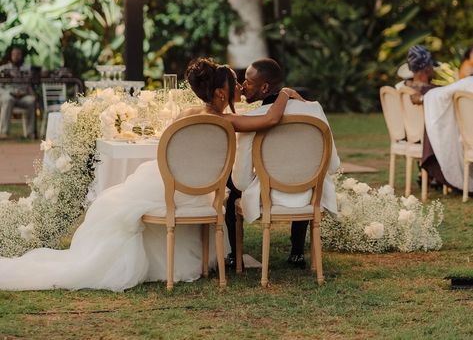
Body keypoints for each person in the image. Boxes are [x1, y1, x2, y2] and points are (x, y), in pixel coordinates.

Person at [0, 58, 302, 291]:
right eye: (235, 83)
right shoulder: (227, 122)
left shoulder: (187, 116)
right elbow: (273, 118)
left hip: (166, 183)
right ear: (222, 92)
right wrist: (286, 93)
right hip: (193, 194)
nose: (239, 87)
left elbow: (169, 150)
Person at [231, 58, 340, 270]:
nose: (243, 85)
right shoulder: (314, 110)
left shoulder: (253, 119)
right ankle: (297, 252)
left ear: (264, 87)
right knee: (302, 171)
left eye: (248, 81)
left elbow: (242, 181)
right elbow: (333, 164)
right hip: (310, 193)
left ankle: (234, 257)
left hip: (269, 195)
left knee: (231, 187)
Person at [403, 45, 449, 188]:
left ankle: (427, 174)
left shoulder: (402, 87)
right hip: (428, 138)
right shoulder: (432, 92)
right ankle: (443, 174)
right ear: (427, 68)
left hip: (408, 135)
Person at [0, 46, 36, 139]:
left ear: (22, 56)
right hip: (8, 95)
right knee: (8, 99)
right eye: (14, 54)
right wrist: (9, 93)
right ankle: (4, 132)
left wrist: (29, 93)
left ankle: (30, 133)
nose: (16, 56)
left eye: (18, 54)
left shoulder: (27, 69)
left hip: (23, 96)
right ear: (10, 55)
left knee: (32, 100)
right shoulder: (3, 69)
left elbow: (29, 85)